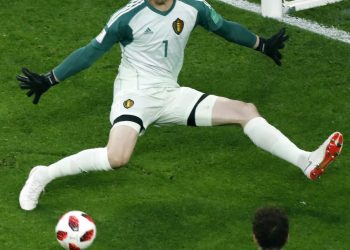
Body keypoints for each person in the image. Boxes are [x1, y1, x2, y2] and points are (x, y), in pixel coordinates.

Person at [17, 0, 343, 211]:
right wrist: (50, 78)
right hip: (136, 94)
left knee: (245, 112)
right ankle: (43, 174)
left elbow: (224, 27)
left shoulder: (193, 7)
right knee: (118, 157)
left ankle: (305, 160)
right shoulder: (127, 17)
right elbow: (91, 51)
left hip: (171, 94)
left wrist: (262, 44)